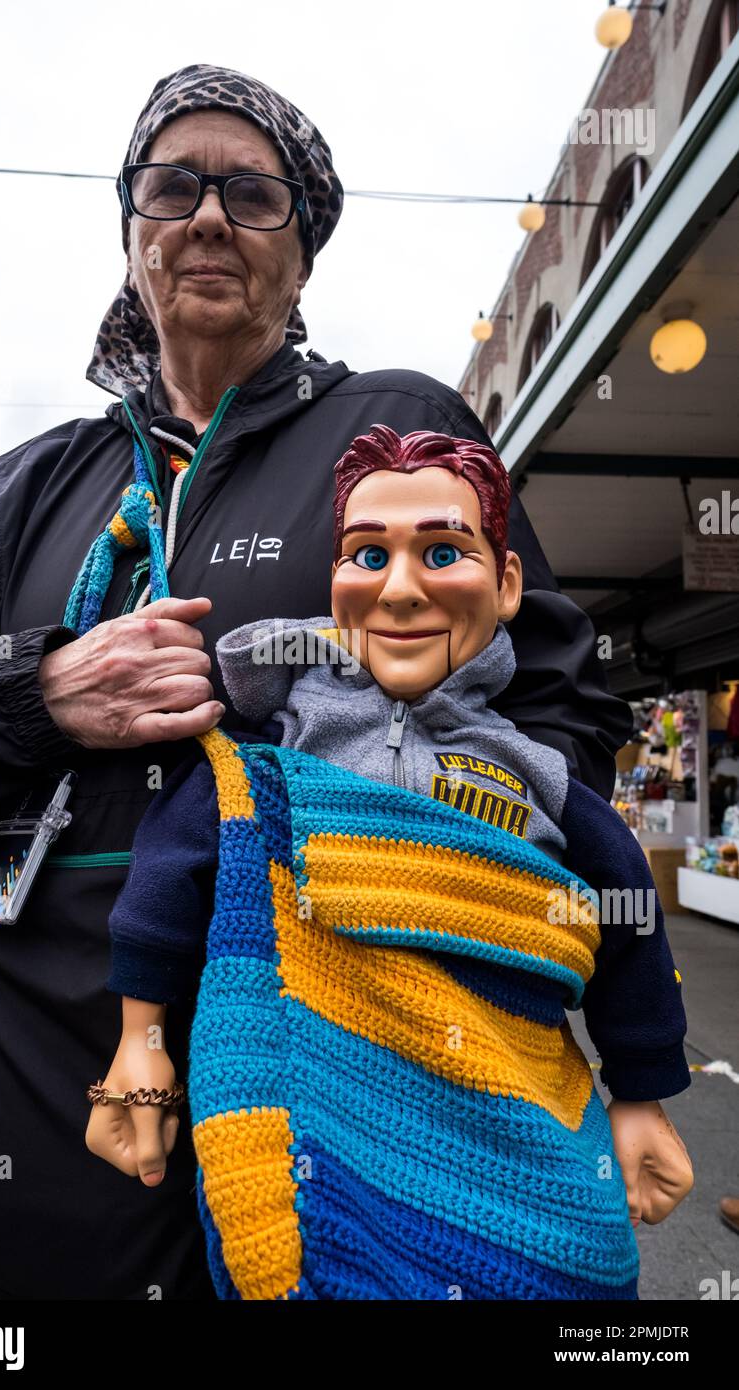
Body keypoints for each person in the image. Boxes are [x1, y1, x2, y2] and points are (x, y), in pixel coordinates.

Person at [0, 65, 632, 1301]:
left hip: (328, 1045)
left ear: (303, 250)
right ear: (131, 233)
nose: (209, 217)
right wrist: (39, 690)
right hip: (14, 1064)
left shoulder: (391, 432)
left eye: (253, 192)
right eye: (174, 186)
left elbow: (560, 709)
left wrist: (416, 866)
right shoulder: (23, 487)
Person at [88, 427, 693, 1298]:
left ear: (508, 583)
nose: (401, 590)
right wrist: (138, 1047)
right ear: (335, 584)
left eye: (444, 551)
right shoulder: (265, 752)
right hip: (316, 1104)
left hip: (514, 1103)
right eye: (367, 555)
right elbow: (169, 879)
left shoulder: (542, 777)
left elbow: (628, 919)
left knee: (568, 1270)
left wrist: (641, 1093)